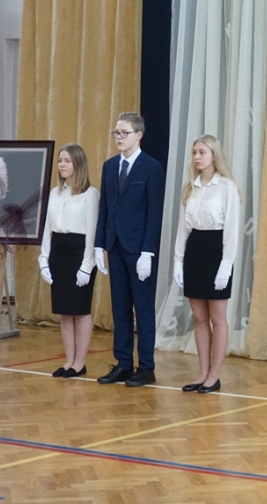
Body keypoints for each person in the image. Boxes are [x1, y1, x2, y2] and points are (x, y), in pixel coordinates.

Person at [94, 112, 166, 387]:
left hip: (139, 249)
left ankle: (146, 366)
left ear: (139, 135)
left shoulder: (151, 167)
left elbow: (154, 213)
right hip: (115, 245)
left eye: (124, 133)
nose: (119, 138)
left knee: (143, 309)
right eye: (116, 133)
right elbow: (105, 208)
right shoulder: (110, 166)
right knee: (120, 307)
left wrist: (148, 252)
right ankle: (123, 363)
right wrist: (99, 244)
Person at [172, 135, 242, 394]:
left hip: (216, 250)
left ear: (214, 155)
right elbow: (183, 228)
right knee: (199, 316)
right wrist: (178, 260)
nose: (197, 157)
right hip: (195, 249)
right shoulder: (191, 187)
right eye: (194, 152)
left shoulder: (227, 187)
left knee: (217, 316)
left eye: (202, 152)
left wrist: (226, 265)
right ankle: (202, 372)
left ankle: (214, 375)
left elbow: (232, 230)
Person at [38, 144, 100, 378]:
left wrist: (87, 265)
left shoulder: (91, 194)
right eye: (60, 161)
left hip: (79, 253)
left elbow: (92, 232)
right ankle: (69, 360)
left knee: (80, 310)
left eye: (67, 161)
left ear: (78, 164)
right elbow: (47, 229)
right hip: (58, 252)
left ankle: (80, 363)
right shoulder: (55, 193)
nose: (62, 165)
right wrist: (44, 260)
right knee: (65, 311)